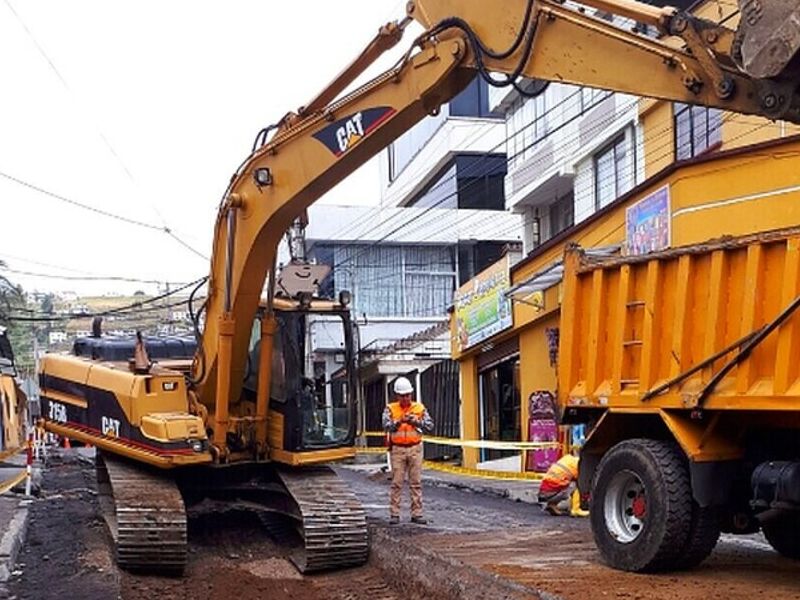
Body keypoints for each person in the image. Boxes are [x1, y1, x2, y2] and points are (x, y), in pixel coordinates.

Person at [382, 376, 434, 525]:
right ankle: (394, 513)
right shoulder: (391, 409)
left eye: (408, 395)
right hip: (398, 449)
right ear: (397, 395)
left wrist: (415, 421)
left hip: (415, 449)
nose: (406, 398)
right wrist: (398, 422)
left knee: (415, 482)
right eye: (403, 396)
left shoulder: (419, 408)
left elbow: (429, 425)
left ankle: (417, 513)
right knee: (396, 482)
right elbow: (386, 425)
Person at [538, 451, 589, 517]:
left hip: (543, 492)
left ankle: (551, 505)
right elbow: (581, 483)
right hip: (552, 492)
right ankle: (575, 510)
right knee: (577, 487)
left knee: (564, 483)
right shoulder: (579, 465)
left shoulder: (567, 458)